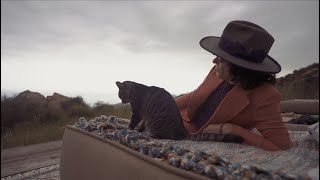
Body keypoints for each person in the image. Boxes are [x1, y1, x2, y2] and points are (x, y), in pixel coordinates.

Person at [175, 20, 292, 151]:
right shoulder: (217, 72)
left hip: (193, 136)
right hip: (180, 121)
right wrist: (168, 104)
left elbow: (281, 145)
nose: (214, 61)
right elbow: (197, 94)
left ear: (238, 67)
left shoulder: (265, 96)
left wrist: (232, 130)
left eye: (221, 58)